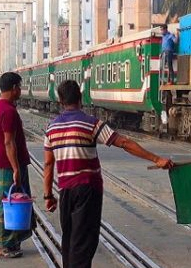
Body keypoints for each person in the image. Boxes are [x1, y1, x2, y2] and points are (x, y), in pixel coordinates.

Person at [43, 80, 174, 268]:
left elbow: (48, 163)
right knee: (84, 242)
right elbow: (124, 143)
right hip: (88, 190)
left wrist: (48, 195)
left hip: (66, 191)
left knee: (70, 240)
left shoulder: (51, 128)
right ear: (80, 98)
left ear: (61, 101)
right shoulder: (92, 124)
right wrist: (156, 159)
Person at [0, 72, 32, 259]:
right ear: (14, 88)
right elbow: (9, 142)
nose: (20, 91)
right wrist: (15, 168)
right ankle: (3, 246)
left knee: (0, 205)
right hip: (7, 165)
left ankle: (6, 243)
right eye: (19, 87)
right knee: (11, 204)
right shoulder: (9, 111)